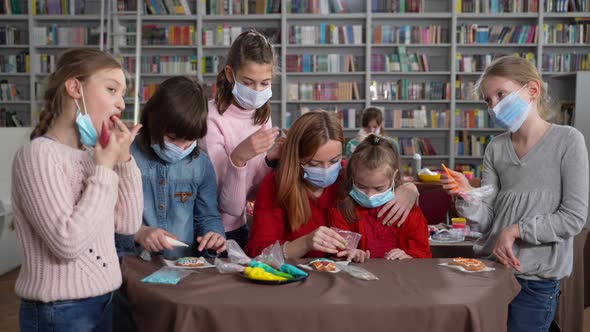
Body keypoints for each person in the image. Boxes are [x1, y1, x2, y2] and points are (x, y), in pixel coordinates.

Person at [440, 56, 588, 332]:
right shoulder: (495, 148)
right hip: (491, 274)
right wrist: (466, 195)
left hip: (536, 282)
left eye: (501, 95)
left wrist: (515, 231)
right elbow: (488, 220)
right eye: (488, 100)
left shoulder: (568, 141)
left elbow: (573, 218)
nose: (494, 107)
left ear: (532, 90)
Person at [11, 48, 143, 331]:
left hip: (104, 299)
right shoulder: (37, 155)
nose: (121, 103)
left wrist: (124, 162)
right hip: (60, 311)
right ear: (75, 87)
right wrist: (105, 170)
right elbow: (67, 243)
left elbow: (128, 224)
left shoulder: (90, 156)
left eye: (123, 94)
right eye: (112, 89)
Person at [244, 110, 420, 260]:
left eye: (334, 160)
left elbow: (380, 181)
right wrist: (304, 244)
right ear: (295, 158)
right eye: (314, 164)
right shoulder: (275, 185)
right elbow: (258, 252)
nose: (327, 170)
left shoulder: (349, 175)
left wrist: (408, 188)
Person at [115, 77, 226, 260]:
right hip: (130, 266)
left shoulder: (201, 164)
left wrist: (214, 235)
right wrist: (139, 233)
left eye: (190, 140)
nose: (181, 148)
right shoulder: (124, 155)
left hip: (183, 267)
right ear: (153, 120)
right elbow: (104, 220)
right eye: (172, 138)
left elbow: (208, 217)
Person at [200, 30, 283, 248]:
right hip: (213, 231)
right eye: (247, 82)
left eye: (265, 83)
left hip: (242, 226)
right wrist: (238, 158)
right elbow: (230, 206)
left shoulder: (261, 114)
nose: (257, 91)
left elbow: (252, 193)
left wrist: (270, 161)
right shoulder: (211, 118)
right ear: (230, 74)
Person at [329, 134, 431, 259]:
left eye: (379, 188)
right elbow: (336, 253)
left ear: (394, 177)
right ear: (352, 177)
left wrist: (408, 257)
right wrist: (350, 254)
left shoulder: (408, 211)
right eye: (361, 186)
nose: (370, 195)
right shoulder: (342, 210)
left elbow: (423, 254)